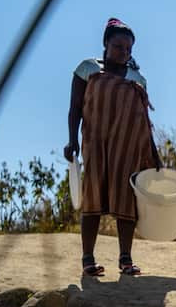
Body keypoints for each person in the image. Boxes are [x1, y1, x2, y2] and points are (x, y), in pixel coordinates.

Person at [64, 17, 160, 277]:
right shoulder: (87, 69)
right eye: (119, 47)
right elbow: (75, 109)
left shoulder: (137, 79)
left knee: (125, 200)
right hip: (95, 143)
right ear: (106, 43)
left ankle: (126, 259)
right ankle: (88, 260)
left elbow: (144, 121)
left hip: (127, 147)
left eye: (129, 49)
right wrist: (72, 140)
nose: (124, 53)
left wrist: (154, 154)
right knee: (92, 197)